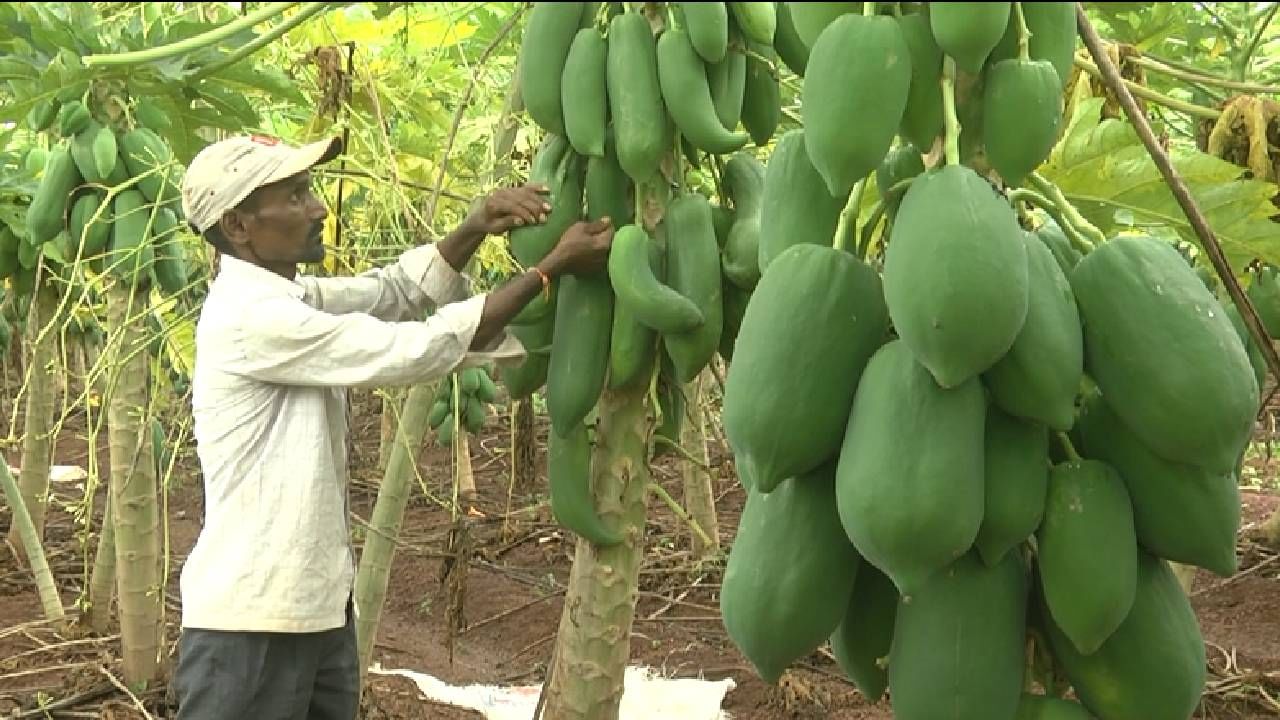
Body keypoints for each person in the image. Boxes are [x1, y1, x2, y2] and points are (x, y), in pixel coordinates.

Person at [171, 133, 613, 719]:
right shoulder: (252, 318)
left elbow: (394, 293)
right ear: (238, 225)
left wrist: (476, 225)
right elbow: (417, 348)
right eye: (298, 195)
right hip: (252, 627)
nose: (318, 207)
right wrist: (549, 270)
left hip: (318, 610)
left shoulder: (291, 296)